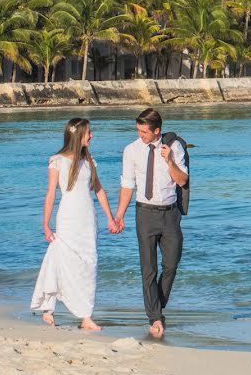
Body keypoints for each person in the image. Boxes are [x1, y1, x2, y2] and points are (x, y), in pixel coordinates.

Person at [30, 118, 115, 330]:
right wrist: (46, 225)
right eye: (89, 132)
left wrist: (110, 218)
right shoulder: (57, 161)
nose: (92, 135)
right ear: (78, 135)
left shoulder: (89, 161)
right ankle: (48, 306)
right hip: (67, 218)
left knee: (89, 263)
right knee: (61, 258)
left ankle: (86, 316)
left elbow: (99, 191)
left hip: (88, 220)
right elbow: (51, 193)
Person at [114, 108, 188, 338]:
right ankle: (155, 317)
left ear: (157, 131)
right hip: (144, 213)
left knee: (171, 265)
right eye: (138, 130)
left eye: (144, 131)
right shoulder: (131, 150)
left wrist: (170, 161)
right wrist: (119, 215)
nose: (140, 135)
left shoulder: (175, 148)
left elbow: (182, 180)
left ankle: (157, 306)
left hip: (170, 214)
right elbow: (127, 185)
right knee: (148, 268)